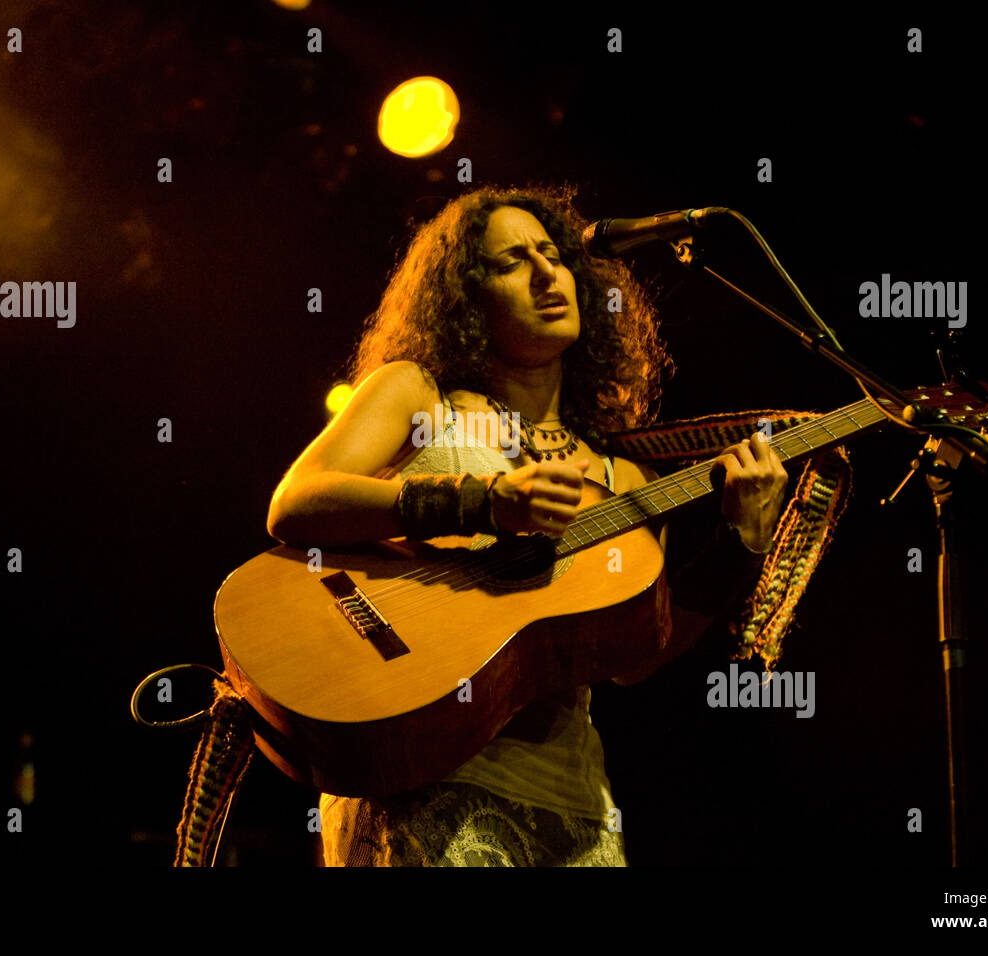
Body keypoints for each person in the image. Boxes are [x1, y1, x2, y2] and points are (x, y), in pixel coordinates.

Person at [265, 184, 788, 866]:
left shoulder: (624, 479)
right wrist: (483, 500)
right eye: (511, 262)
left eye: (552, 254)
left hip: (576, 808)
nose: (546, 274)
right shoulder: (418, 395)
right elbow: (294, 504)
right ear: (466, 299)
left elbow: (634, 661)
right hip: (423, 775)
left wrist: (739, 546)